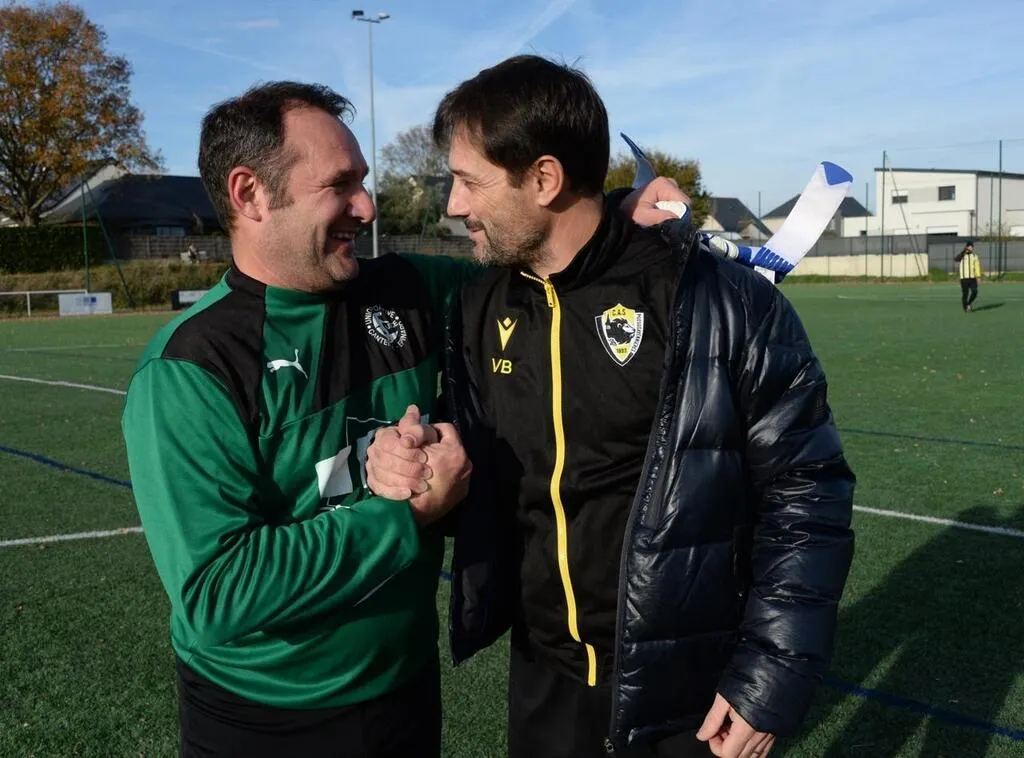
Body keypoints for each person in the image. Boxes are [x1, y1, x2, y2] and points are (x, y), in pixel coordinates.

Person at [121, 79, 690, 758]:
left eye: (363, 181)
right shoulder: (192, 367)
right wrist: (406, 516)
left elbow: (537, 249)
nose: (366, 206)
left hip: (405, 694)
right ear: (250, 195)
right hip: (267, 721)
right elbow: (217, 594)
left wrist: (617, 212)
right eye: (341, 185)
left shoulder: (410, 291)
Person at [366, 55, 856, 758]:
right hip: (543, 682)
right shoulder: (477, 306)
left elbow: (806, 492)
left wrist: (771, 676)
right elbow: (478, 469)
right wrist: (418, 466)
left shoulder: (720, 304)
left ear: (545, 178)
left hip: (689, 692)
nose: (452, 204)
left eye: (469, 181)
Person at [955, 241, 982, 311]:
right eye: (970, 246)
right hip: (964, 278)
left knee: (975, 292)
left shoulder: (975, 256)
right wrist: (964, 251)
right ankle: (965, 308)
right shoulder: (962, 255)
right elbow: (956, 259)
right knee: (965, 294)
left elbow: (977, 266)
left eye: (972, 247)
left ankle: (969, 303)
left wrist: (978, 276)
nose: (972, 248)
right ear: (967, 247)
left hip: (972, 278)